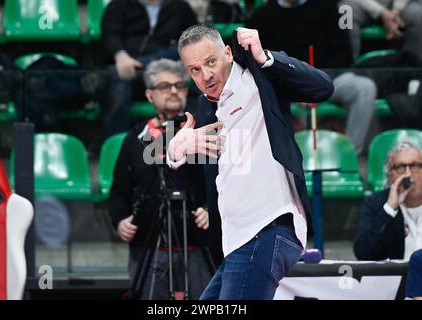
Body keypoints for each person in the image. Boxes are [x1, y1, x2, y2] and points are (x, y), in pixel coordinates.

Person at [167, 24, 334, 300]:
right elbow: (186, 186)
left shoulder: (259, 77)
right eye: (194, 70)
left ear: (228, 53)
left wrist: (265, 57)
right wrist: (177, 152)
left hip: (268, 228)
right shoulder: (204, 109)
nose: (206, 75)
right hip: (235, 242)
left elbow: (322, 88)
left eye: (211, 62)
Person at [108, 59, 212, 300]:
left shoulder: (205, 134)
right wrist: (120, 220)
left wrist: (209, 209)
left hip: (199, 244)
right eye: (165, 86)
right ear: (149, 95)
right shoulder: (136, 138)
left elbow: (219, 183)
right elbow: (119, 191)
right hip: (148, 246)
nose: (174, 91)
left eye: (179, 85)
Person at [247, 0, 378, 154]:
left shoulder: (327, 9)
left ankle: (349, 157)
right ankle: (283, 160)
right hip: (284, 88)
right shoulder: (261, 16)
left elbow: (344, 56)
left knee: (364, 88)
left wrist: (312, 83)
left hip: (327, 80)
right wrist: (296, 88)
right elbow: (256, 64)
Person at [100, 0, 198, 137]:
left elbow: (195, 39)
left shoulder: (179, 6)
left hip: (168, 71)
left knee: (186, 73)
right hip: (130, 76)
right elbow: (110, 35)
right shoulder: (119, 4)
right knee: (118, 85)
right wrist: (120, 55)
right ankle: (117, 145)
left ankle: (189, 140)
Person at [354, 141, 422, 260]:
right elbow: (362, 252)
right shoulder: (376, 203)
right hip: (399, 277)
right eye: (400, 167)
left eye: (415, 166)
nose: (408, 174)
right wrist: (390, 208)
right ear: (390, 175)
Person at [341, 0, 422, 66]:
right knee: (345, 13)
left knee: (418, 14)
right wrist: (381, 12)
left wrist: (396, 9)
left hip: (397, 8)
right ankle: (347, 71)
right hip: (359, 3)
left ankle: (415, 72)